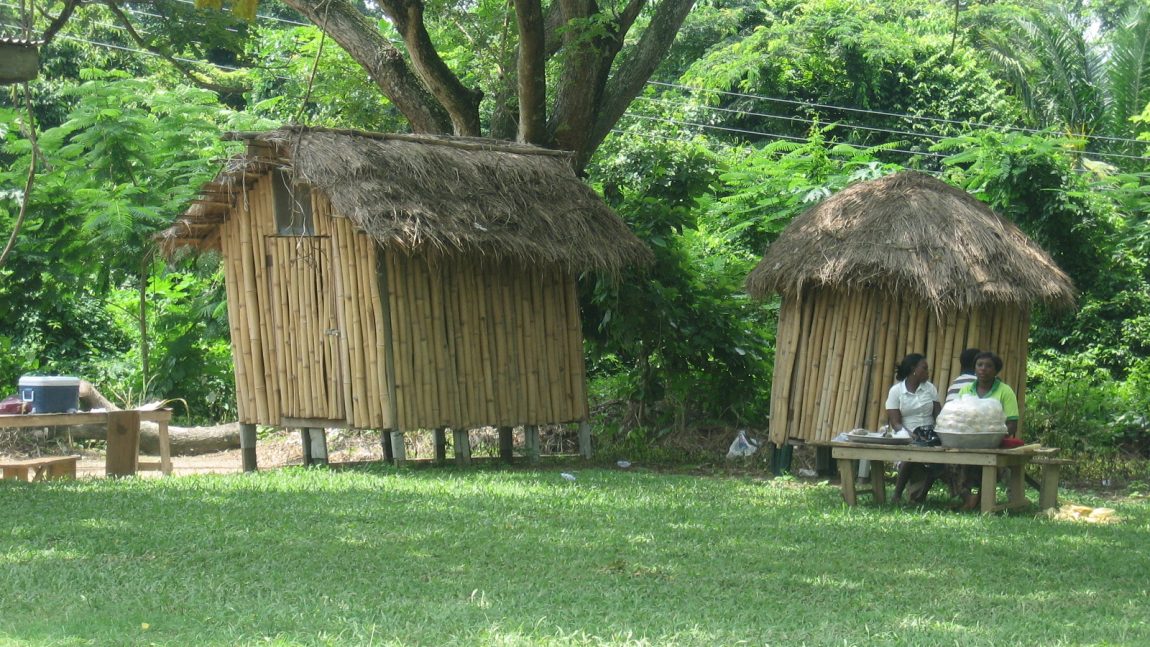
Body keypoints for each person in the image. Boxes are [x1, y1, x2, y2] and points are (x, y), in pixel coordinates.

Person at [951, 350, 1021, 509]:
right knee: (949, 461)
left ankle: (983, 498)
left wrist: (993, 436)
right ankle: (968, 497)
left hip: (993, 442)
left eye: (988, 366)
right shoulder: (966, 390)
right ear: (974, 368)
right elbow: (958, 418)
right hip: (967, 441)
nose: (983, 369)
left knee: (990, 462)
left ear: (996, 371)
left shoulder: (1005, 391)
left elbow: (1012, 423)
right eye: (979, 365)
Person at [887, 353, 942, 503]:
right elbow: (896, 423)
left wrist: (940, 431)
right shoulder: (896, 391)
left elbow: (939, 415)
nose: (928, 372)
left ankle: (920, 496)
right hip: (905, 435)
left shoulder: (930, 388)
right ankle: (897, 495)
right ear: (913, 369)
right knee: (911, 455)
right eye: (924, 368)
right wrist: (911, 435)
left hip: (929, 434)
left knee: (939, 460)